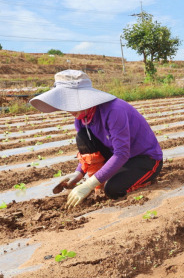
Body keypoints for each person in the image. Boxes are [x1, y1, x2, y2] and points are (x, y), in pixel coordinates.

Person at [30, 70, 163, 208]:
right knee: (82, 137)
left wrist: (88, 184)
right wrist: (78, 173)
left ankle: (138, 180)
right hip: (119, 157)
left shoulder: (114, 110)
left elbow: (122, 153)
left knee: (113, 190)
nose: (69, 109)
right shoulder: (81, 118)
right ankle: (101, 183)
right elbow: (90, 152)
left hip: (145, 158)